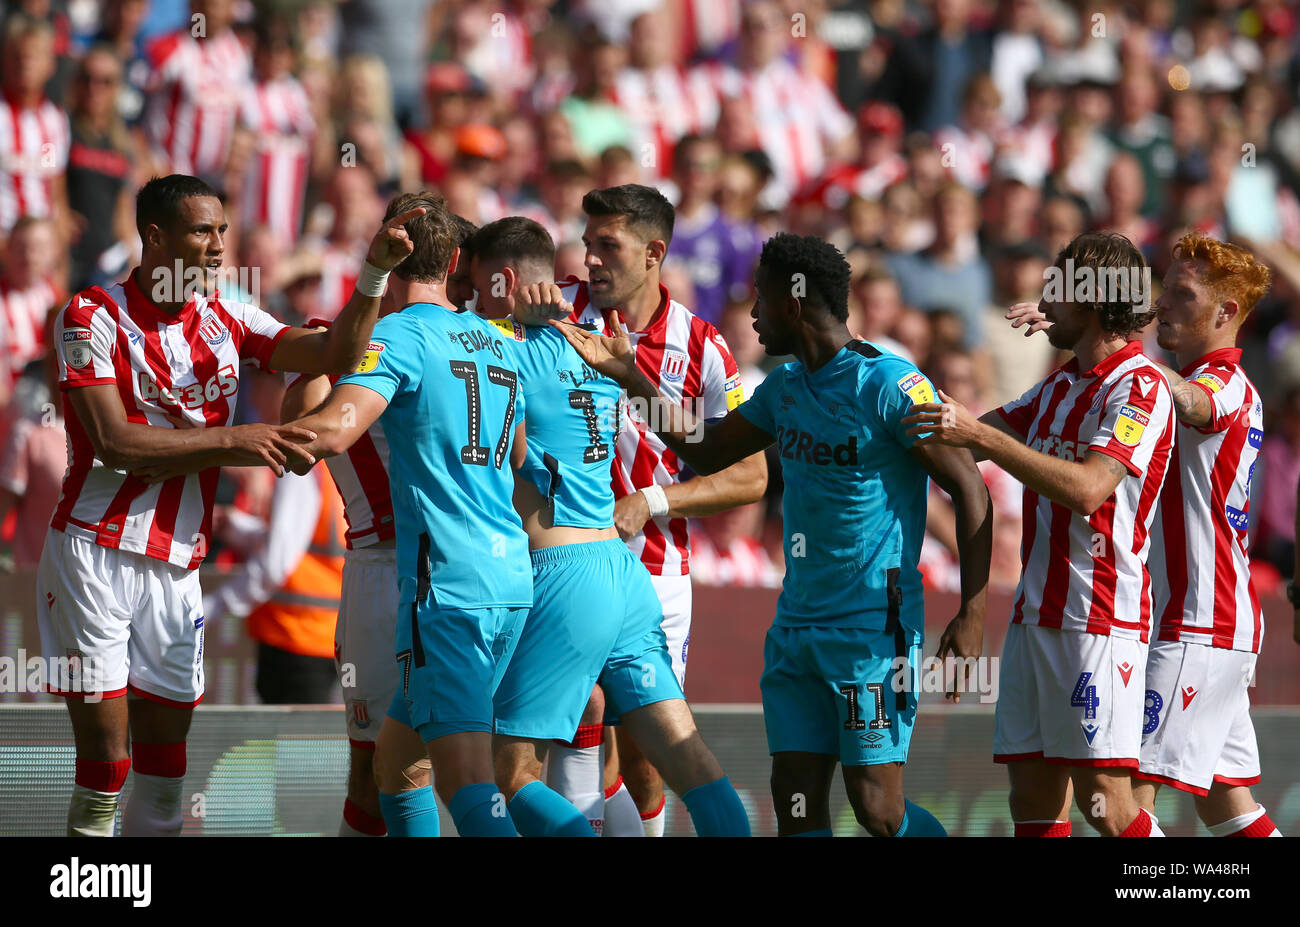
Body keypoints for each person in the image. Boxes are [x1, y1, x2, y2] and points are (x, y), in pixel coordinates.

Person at [555, 232, 992, 836]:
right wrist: (632, 376)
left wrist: (971, 614)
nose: (753, 316)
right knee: (794, 797)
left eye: (760, 301)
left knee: (877, 809)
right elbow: (707, 450)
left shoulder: (887, 383)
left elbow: (970, 487)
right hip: (797, 625)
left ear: (793, 303)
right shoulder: (784, 390)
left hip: (872, 628)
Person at [40, 172, 423, 837]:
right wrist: (236, 440)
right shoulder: (90, 315)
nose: (219, 244)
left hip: (178, 566)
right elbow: (114, 442)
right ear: (155, 237)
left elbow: (334, 351)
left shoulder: (230, 310)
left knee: (165, 773)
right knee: (106, 763)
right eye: (201, 231)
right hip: (94, 553)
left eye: (222, 230)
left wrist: (372, 275)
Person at [282, 194, 573, 837]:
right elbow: (521, 453)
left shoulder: (391, 337)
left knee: (468, 784)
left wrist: (239, 444)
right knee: (396, 767)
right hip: (510, 577)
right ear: (459, 262)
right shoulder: (497, 342)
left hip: (436, 583)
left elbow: (328, 433)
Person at [466, 215, 750, 837]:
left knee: (512, 772)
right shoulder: (602, 348)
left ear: (504, 282)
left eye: (475, 285)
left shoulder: (504, 349)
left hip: (562, 572)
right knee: (684, 759)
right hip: (625, 575)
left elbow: (508, 447)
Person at [1010, 232, 1282, 836]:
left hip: (1197, 618)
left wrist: (1101, 342)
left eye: (1182, 295)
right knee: (1224, 797)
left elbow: (1186, 400)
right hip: (1203, 620)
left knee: (1121, 792)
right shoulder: (1163, 379)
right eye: (1164, 290)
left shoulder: (1225, 386)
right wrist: (1082, 336)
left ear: (1226, 313)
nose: (1163, 306)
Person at [905, 231, 1174, 837]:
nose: (1043, 296)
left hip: (1100, 618)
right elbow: (962, 442)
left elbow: (1087, 488)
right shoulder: (1060, 385)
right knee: (1031, 793)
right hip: (1034, 618)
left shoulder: (1140, 387)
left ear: (1097, 301)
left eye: (1059, 285)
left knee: (1106, 800)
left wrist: (985, 439)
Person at [557, 184, 767, 835]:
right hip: (564, 563)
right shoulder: (558, 319)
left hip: (655, 572)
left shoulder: (702, 347)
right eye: (587, 243)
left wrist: (649, 500)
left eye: (607, 245)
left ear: (653, 252)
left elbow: (750, 475)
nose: (590, 259)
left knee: (647, 757)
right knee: (576, 730)